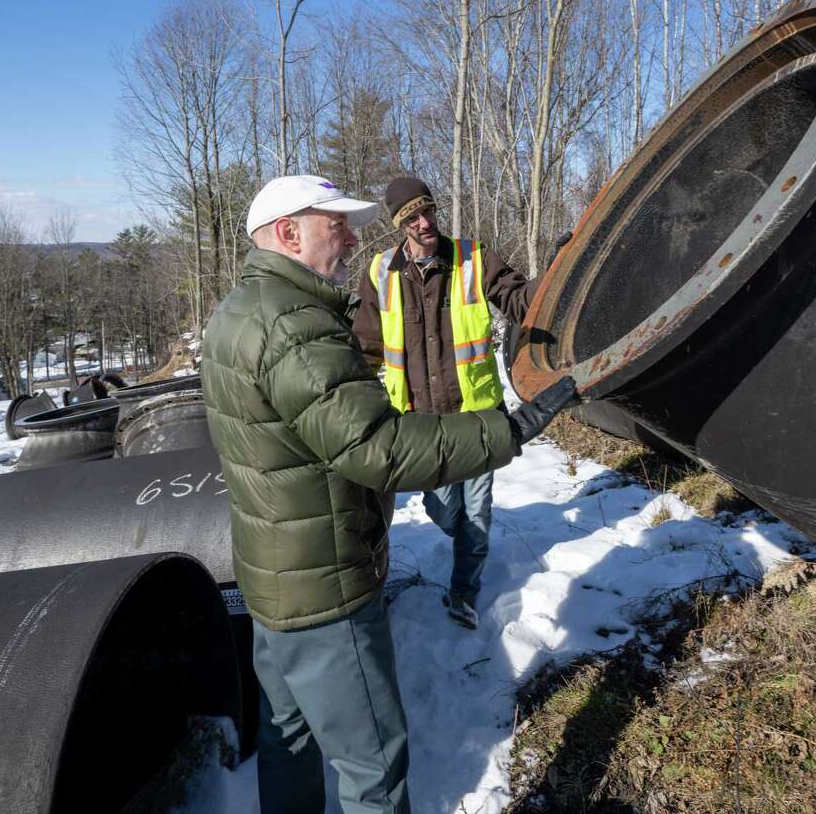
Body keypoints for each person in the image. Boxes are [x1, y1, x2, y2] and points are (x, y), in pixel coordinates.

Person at [200, 174, 576, 814]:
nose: (352, 239)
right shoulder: (296, 325)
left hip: (275, 578)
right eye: (337, 225)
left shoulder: (239, 310)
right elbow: (377, 448)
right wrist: (509, 430)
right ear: (289, 233)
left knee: (288, 738)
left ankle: (464, 589)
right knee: (373, 768)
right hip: (327, 586)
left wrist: (561, 283)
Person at [353, 177, 540, 631]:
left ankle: (464, 592)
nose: (424, 222)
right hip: (418, 423)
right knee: (443, 511)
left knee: (476, 513)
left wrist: (557, 274)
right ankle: (465, 542)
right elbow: (365, 345)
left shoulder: (473, 258)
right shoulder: (381, 272)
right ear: (400, 225)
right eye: (412, 218)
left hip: (476, 414)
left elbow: (519, 301)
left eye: (428, 211)